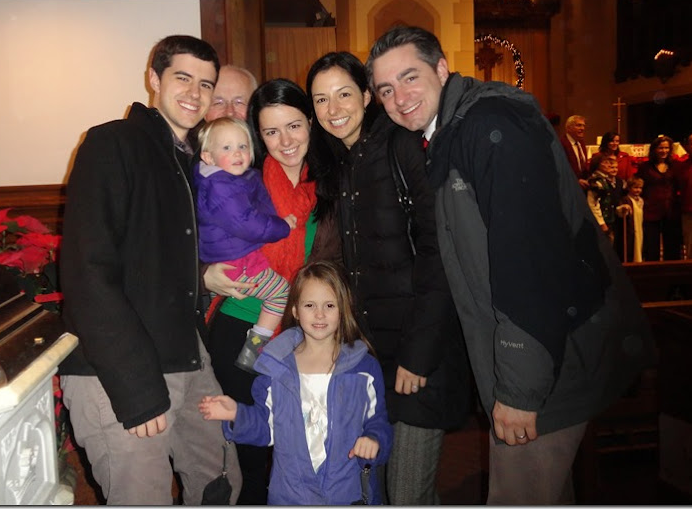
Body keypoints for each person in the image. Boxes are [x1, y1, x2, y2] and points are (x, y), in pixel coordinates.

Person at [367, 26, 655, 505]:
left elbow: (530, 259)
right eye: (386, 90)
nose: (400, 98)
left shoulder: (489, 126)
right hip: (545, 354)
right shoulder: (453, 132)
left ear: (442, 68)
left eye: (410, 77)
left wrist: (521, 389)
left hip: (550, 357)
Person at [58, 34, 242, 505]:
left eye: (206, 84)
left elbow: (157, 252)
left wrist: (204, 275)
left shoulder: (194, 160)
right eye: (183, 78)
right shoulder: (112, 143)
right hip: (119, 370)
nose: (195, 93)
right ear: (154, 79)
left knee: (221, 484)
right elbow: (87, 272)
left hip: (187, 355)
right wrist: (136, 389)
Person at [306, 51, 470, 505]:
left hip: (418, 359)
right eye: (321, 100)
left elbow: (440, 251)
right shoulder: (343, 164)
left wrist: (418, 356)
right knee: (386, 488)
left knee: (406, 493)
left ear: (366, 96)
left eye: (344, 94)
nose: (333, 109)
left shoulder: (400, 145)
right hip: (375, 360)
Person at [203, 78, 341, 505]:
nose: (286, 141)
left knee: (303, 444)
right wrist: (203, 273)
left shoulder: (334, 180)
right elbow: (194, 235)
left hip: (310, 331)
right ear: (257, 136)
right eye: (271, 131)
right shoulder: (243, 180)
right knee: (248, 450)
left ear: (311, 122)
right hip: (241, 327)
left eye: (294, 126)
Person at [199, 261, 393, 505]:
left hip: (348, 494)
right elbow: (266, 427)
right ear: (295, 311)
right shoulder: (275, 368)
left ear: (343, 309)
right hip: (291, 495)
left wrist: (374, 439)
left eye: (329, 305)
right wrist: (236, 414)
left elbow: (379, 422)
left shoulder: (364, 368)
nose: (320, 314)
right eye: (310, 305)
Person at [194, 116, 297, 372]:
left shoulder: (219, 180)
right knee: (281, 293)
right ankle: (255, 347)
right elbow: (249, 224)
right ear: (208, 157)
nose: (237, 153)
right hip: (237, 262)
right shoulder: (222, 187)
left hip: (227, 257)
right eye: (227, 148)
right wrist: (283, 226)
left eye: (243, 146)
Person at [635, 135, 682, 261]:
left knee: (673, 246)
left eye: (666, 148)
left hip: (671, 210)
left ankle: (672, 271)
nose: (664, 151)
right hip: (651, 210)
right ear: (654, 149)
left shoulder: (676, 166)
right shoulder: (645, 167)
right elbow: (638, 185)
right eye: (661, 148)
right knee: (651, 246)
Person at [587, 154, 630, 249]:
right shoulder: (596, 181)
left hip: (609, 220)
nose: (609, 165)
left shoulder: (606, 180)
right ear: (598, 165)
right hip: (601, 221)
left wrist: (619, 209)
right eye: (605, 162)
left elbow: (609, 200)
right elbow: (593, 204)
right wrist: (601, 223)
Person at [560, 114, 590, 189]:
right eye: (579, 125)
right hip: (569, 186)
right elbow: (561, 167)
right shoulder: (561, 144)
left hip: (583, 186)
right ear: (569, 128)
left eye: (583, 126)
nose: (582, 128)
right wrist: (575, 181)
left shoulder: (581, 143)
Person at [619, 176, 645, 263]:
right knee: (631, 247)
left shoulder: (641, 200)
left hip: (639, 227)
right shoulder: (626, 199)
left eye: (640, 188)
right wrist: (623, 208)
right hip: (631, 228)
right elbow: (619, 211)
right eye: (635, 187)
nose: (638, 190)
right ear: (629, 188)